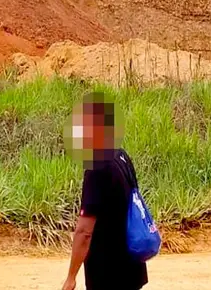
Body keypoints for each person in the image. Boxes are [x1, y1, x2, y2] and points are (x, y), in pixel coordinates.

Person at [61, 93, 148, 290]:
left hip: (108, 272)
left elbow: (84, 231)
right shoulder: (121, 155)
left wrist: (71, 277)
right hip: (131, 265)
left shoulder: (96, 166)